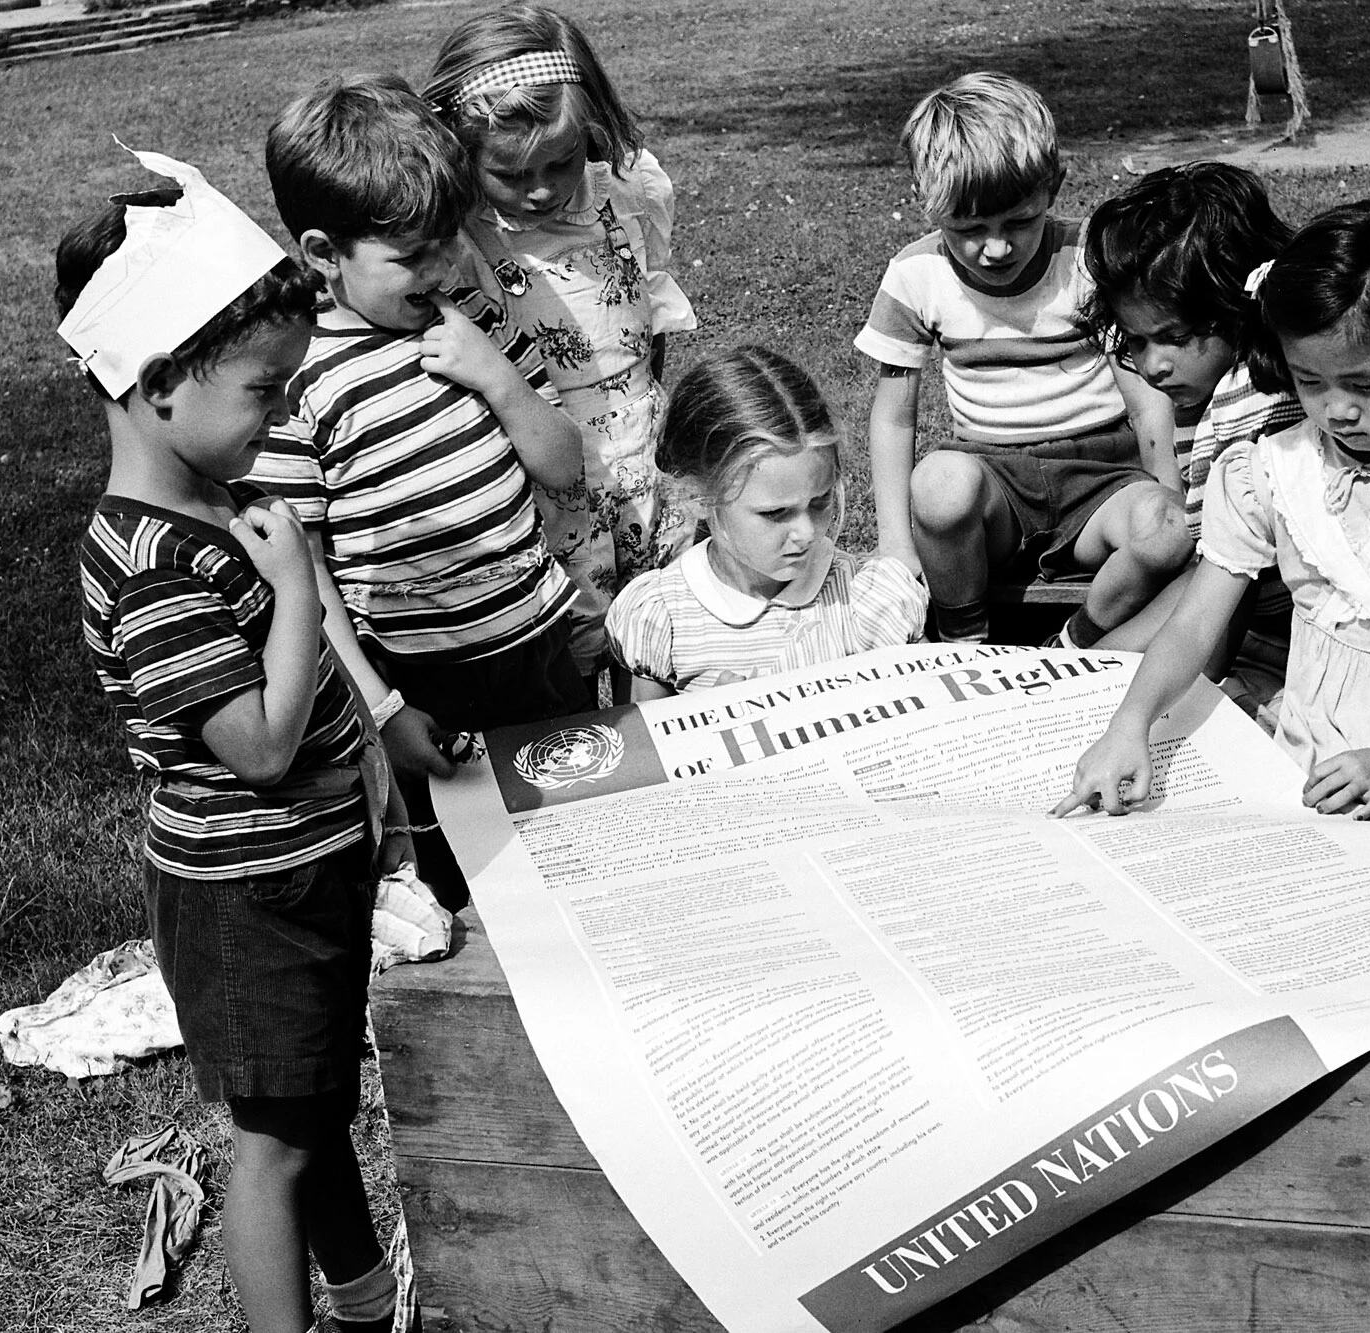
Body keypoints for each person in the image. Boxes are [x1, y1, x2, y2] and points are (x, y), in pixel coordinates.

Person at [62, 149, 406, 1333]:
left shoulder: (215, 502)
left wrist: (371, 798)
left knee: (311, 1108)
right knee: (269, 1148)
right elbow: (257, 744)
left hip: (303, 866)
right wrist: (301, 590)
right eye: (264, 391)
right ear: (158, 382)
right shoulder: (152, 562)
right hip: (244, 893)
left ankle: (365, 1297)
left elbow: (306, 721)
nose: (279, 415)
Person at [1056, 200, 1370, 826]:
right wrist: (1129, 724)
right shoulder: (1267, 473)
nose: (1339, 409)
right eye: (1310, 382)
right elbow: (1193, 627)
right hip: (1311, 749)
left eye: (1366, 383)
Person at [257, 73, 591, 912]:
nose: (445, 264)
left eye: (450, 237)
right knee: (472, 891)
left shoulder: (469, 314)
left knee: (587, 844)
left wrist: (499, 379)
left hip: (540, 637)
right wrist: (382, 706)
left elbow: (562, 466)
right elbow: (305, 568)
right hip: (424, 677)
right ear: (323, 254)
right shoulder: (293, 378)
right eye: (414, 254)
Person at [855, 71, 1180, 649]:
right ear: (927, 202)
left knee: (1165, 529)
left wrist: (1167, 486)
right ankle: (962, 641)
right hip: (995, 486)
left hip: (1102, 479)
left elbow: (1144, 393)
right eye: (970, 228)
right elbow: (893, 417)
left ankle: (1079, 641)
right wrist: (894, 546)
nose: (997, 247)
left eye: (1019, 221)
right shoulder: (916, 275)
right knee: (938, 485)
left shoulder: (1088, 260)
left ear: (1054, 186)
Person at [426, 3, 699, 678]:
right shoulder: (460, 239)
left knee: (656, 650)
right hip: (540, 492)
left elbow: (645, 321)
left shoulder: (629, 194)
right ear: (461, 152)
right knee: (566, 669)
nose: (543, 189)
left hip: (643, 470)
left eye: (562, 160)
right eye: (512, 175)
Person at [1075, 162, 1307, 706]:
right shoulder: (1208, 386)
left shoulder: (1248, 405)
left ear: (1235, 304)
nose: (1153, 365)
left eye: (1172, 337)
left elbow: (1223, 601)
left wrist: (1100, 675)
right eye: (1135, 341)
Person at [607, 346, 926, 695]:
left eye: (820, 502)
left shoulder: (865, 599)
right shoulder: (664, 617)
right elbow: (653, 744)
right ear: (697, 496)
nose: (807, 532)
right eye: (776, 513)